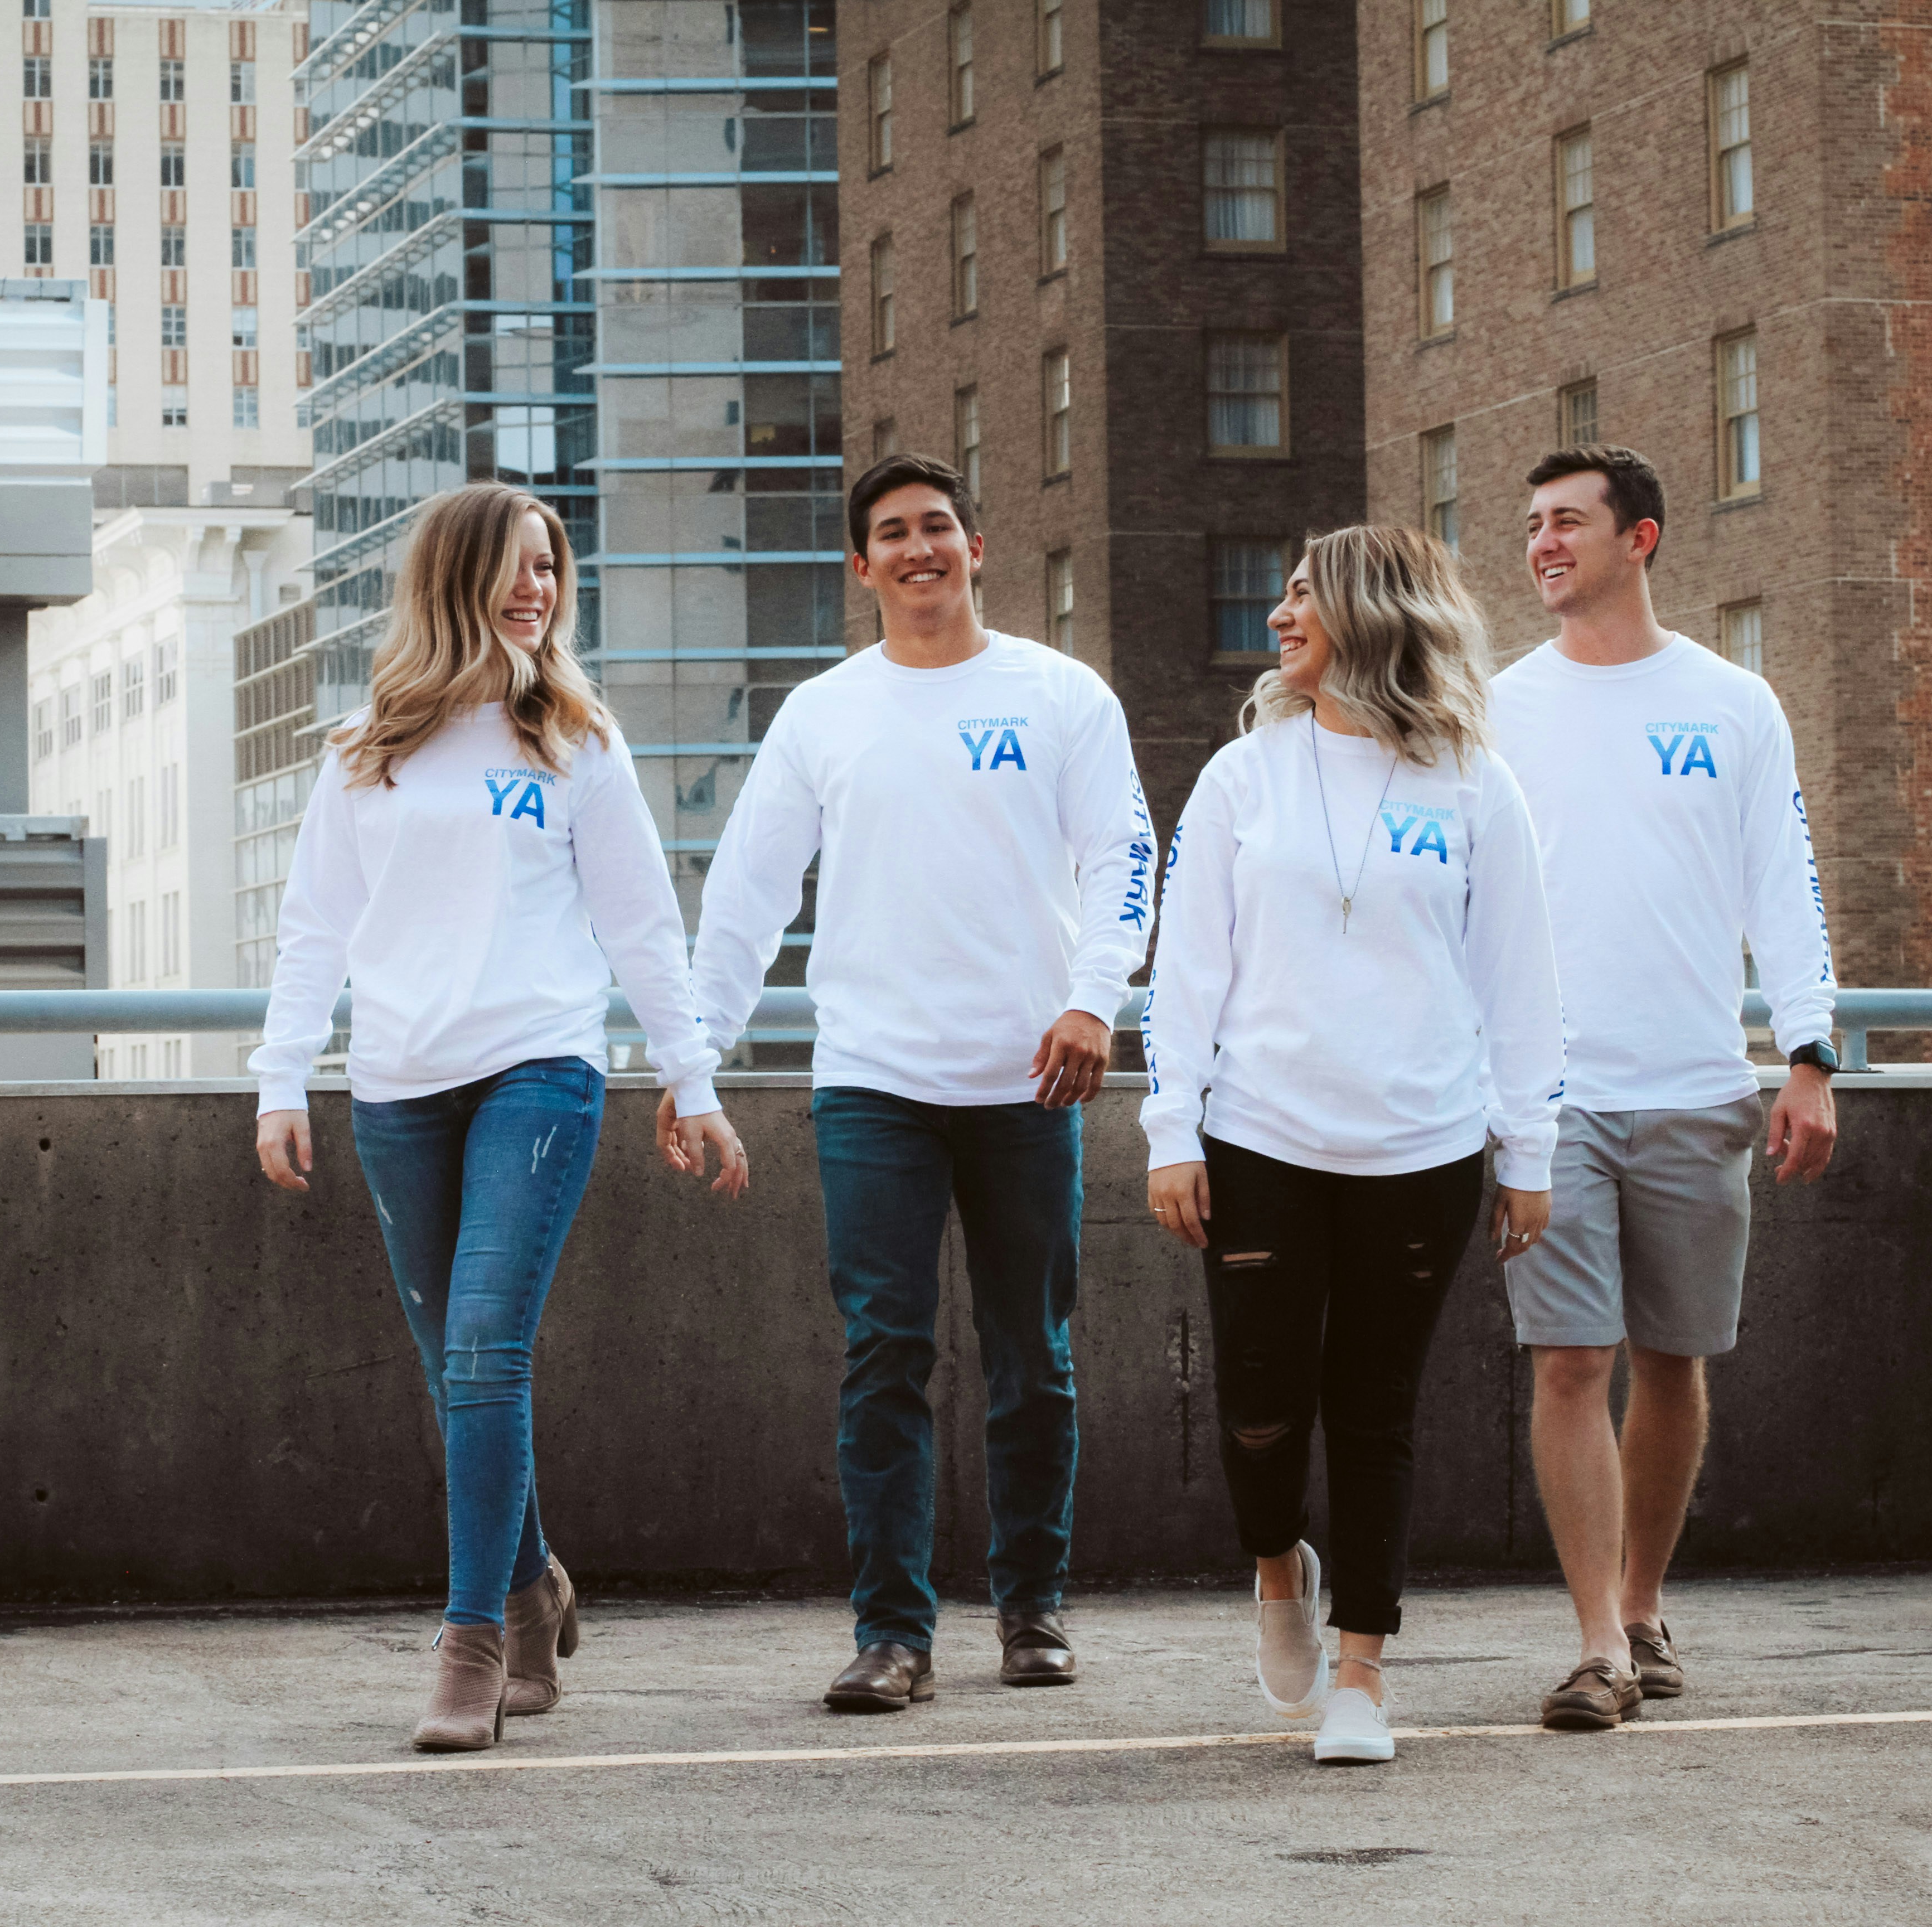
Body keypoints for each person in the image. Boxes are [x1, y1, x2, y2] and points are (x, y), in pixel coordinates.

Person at [249, 482, 746, 1754]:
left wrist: (692, 1083)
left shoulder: (577, 738)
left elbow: (643, 923)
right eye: (515, 567)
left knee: (483, 1349)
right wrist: (281, 1076)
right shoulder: (369, 746)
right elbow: (315, 927)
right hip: (399, 1088)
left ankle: (467, 1644)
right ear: (453, 578)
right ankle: (534, 1595)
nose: (538, 588)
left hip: (542, 1070)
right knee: (455, 1367)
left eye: (551, 568)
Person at [679, 452, 1156, 1711]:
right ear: (861, 565)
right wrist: (693, 1063)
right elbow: (746, 895)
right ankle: (893, 1634)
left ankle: (1033, 1611)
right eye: (892, 534)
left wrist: (1094, 995)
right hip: (874, 1082)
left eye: (938, 527)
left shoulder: (1061, 694)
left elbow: (1124, 852)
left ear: (978, 546)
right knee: (884, 1356)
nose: (919, 549)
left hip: (1030, 1079)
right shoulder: (825, 712)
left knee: (1032, 1358)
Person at [1140, 524, 1563, 1765]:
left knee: (1376, 1414)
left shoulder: (1473, 779)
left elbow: (1521, 977)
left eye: (1303, 595)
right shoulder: (1244, 776)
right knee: (1262, 1411)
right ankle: (1280, 1568)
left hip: (1423, 1148)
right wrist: (1174, 1130)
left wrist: (1525, 1149)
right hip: (1259, 1136)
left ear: (1372, 613)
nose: (1280, 616)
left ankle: (1365, 1677)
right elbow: (1186, 973)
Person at [1491, 445, 1839, 1733]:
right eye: (1532, 525)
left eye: (1568, 522)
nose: (1543, 543)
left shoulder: (1733, 703)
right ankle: (1596, 1650)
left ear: (1638, 539)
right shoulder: (1496, 708)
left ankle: (1642, 1605)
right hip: (1549, 1099)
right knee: (1569, 1358)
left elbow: (1782, 885)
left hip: (1698, 1085)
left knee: (1674, 1362)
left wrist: (1809, 1053)